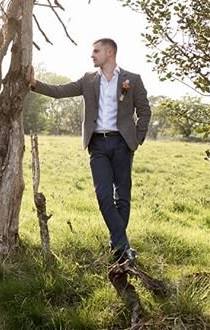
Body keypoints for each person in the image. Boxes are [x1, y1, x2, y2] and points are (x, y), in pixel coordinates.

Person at [29, 38, 151, 264]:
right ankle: (124, 248)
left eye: (96, 51)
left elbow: (145, 111)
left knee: (122, 197)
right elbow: (59, 91)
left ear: (110, 52)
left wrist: (136, 138)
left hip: (123, 144)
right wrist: (34, 83)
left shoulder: (132, 80)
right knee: (104, 196)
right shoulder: (88, 80)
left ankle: (118, 248)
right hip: (98, 145)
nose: (92, 55)